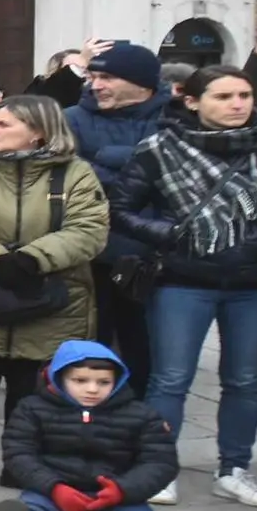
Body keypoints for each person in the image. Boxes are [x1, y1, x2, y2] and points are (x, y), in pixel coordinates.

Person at [119, 66, 257, 509]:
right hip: (184, 281)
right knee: (170, 379)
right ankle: (158, 470)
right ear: (192, 101)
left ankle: (235, 469)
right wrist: (173, 236)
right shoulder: (159, 149)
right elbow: (121, 209)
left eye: (244, 95)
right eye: (224, 96)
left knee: (245, 381)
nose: (237, 104)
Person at [0, 96, 112, 498]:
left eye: (4, 124)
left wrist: (32, 259)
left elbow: (89, 230)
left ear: (38, 131)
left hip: (48, 295)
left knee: (30, 390)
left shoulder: (76, 174)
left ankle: (20, 465)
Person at [0, 340, 178, 511]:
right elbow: (18, 454)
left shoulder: (142, 415)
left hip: (113, 497)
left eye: (104, 382)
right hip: (52, 492)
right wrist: (54, 487)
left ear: (118, 381)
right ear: (59, 378)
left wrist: (122, 490)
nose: (92, 389)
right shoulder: (32, 409)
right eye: (80, 380)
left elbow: (160, 461)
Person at [67, 41, 171, 388]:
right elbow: (72, 175)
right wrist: (137, 163)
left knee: (148, 353)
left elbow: (171, 176)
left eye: (107, 77)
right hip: (91, 256)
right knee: (89, 351)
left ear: (142, 83)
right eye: (94, 76)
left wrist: (102, 157)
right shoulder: (71, 119)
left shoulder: (176, 119)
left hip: (156, 256)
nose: (96, 84)